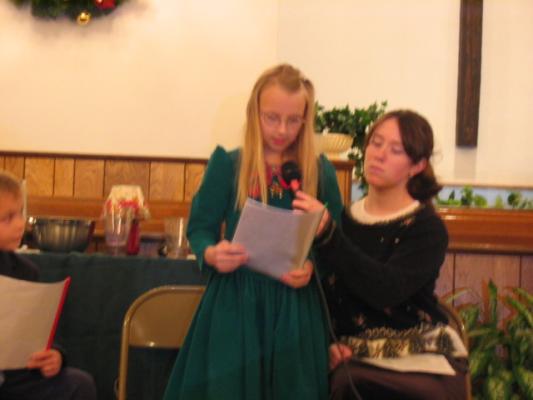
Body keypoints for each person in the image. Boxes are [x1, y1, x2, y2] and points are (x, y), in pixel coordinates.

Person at [163, 64, 343, 400]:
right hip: (236, 304)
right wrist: (211, 253)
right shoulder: (228, 164)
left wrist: (312, 266)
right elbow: (200, 228)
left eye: (293, 120)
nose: (282, 129)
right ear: (254, 113)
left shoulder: (319, 172)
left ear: (306, 120)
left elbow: (337, 242)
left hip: (295, 309)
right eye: (271, 118)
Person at [293, 110, 469, 399]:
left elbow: (386, 289)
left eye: (396, 150)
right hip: (353, 354)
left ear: (417, 165)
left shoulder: (426, 227)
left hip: (420, 353)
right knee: (339, 381)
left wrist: (329, 236)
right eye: (376, 143)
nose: (379, 154)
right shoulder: (343, 219)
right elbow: (324, 294)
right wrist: (328, 343)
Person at [0, 171, 97, 400]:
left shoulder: (24, 270)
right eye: (7, 218)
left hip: (14, 377)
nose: (20, 224)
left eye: (21, 213)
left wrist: (54, 355)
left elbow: (40, 333)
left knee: (79, 384)